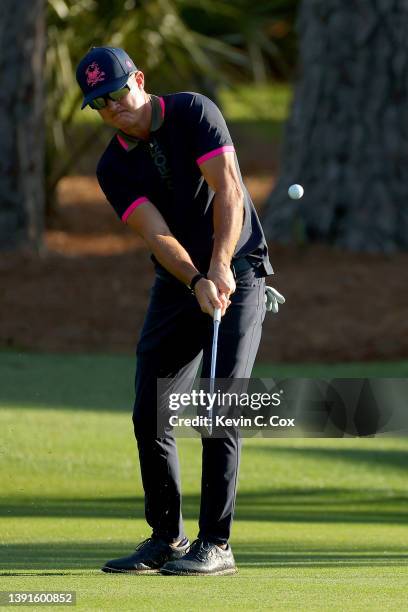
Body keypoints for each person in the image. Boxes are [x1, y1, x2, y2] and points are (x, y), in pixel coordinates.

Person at [76, 46, 275, 576]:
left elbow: (229, 190)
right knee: (151, 408)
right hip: (179, 279)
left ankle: (217, 543)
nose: (112, 109)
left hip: (240, 267)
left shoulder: (193, 112)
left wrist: (222, 267)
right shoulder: (112, 165)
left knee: (220, 400)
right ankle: (165, 537)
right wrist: (195, 279)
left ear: (139, 80)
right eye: (99, 104)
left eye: (116, 93)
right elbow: (156, 233)